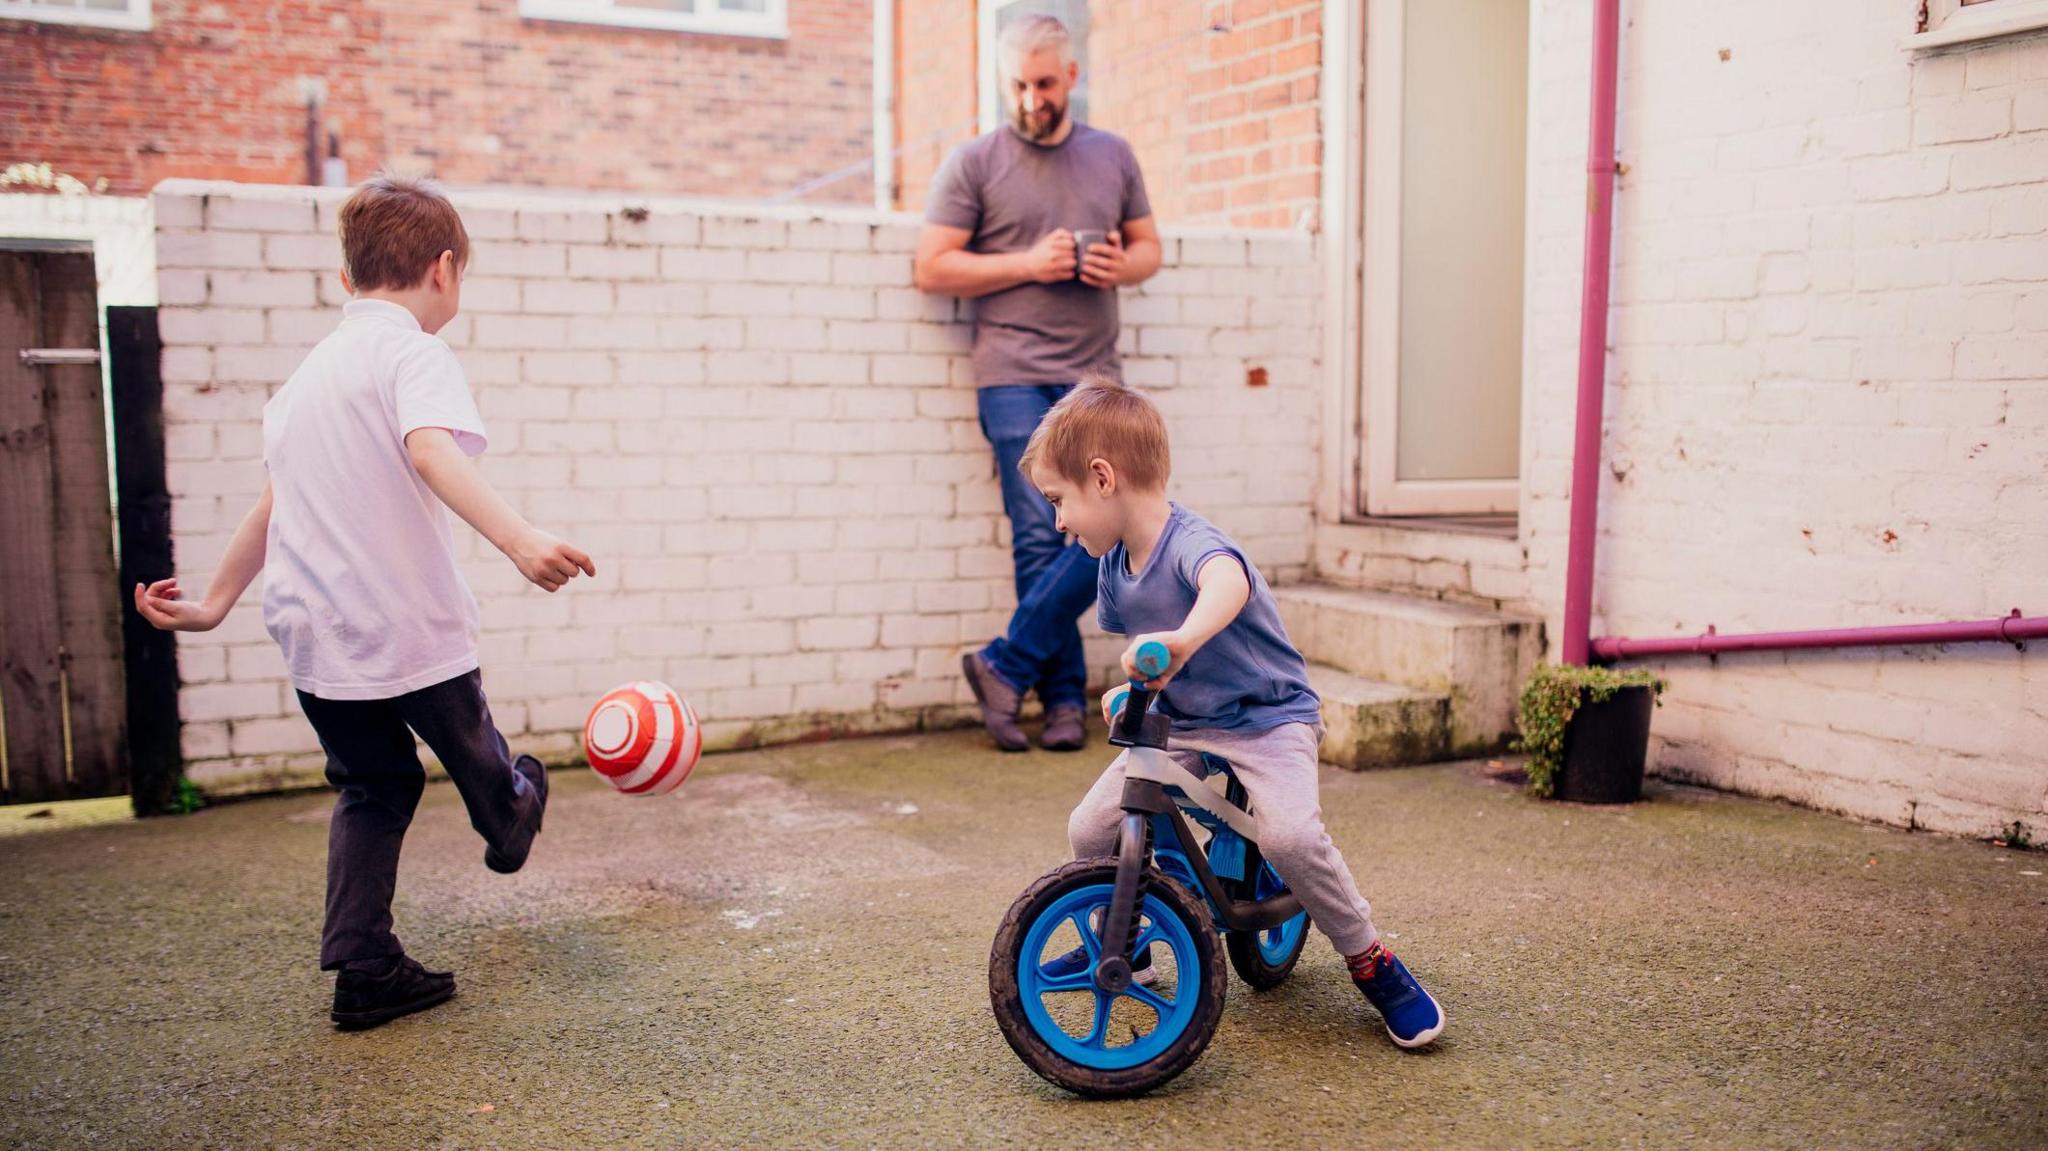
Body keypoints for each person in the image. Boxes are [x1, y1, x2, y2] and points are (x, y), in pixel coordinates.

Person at [134, 174, 596, 1031]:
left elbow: (272, 504)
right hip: (405, 623)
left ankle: (364, 965)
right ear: (445, 270)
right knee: (481, 760)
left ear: (346, 281)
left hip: (315, 633)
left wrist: (213, 606)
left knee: (373, 786)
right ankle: (511, 817)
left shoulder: (305, 379)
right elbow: (430, 451)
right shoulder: (412, 352)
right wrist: (522, 539)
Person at [1021, 376, 1447, 1049]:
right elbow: (1143, 651)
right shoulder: (1112, 567)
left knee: (1289, 839)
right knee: (1091, 827)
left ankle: (1370, 957)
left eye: (1058, 500)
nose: (1058, 521)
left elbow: (1227, 582)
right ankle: (1125, 946)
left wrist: (1184, 640)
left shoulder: (1191, 542)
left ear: (1102, 478)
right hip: (1185, 718)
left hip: (1267, 716)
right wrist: (1130, 687)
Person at [913, 13, 1162, 753]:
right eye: (1017, 84)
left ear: (1072, 77)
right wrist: (1029, 263)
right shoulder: (975, 162)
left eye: (1044, 83)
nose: (1030, 98)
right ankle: (1059, 703)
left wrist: (1123, 264)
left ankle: (1004, 664)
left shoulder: (1112, 155)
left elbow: (1150, 246)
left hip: (1093, 375)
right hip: (1012, 371)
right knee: (1038, 534)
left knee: (1107, 527)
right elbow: (931, 266)